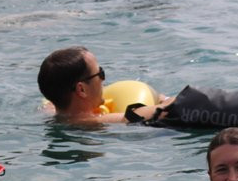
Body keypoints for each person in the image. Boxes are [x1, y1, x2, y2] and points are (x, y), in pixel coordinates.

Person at [38, 47, 173, 125]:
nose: (103, 80)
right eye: (100, 73)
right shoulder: (96, 122)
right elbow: (170, 109)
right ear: (81, 89)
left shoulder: (50, 109)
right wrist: (165, 99)